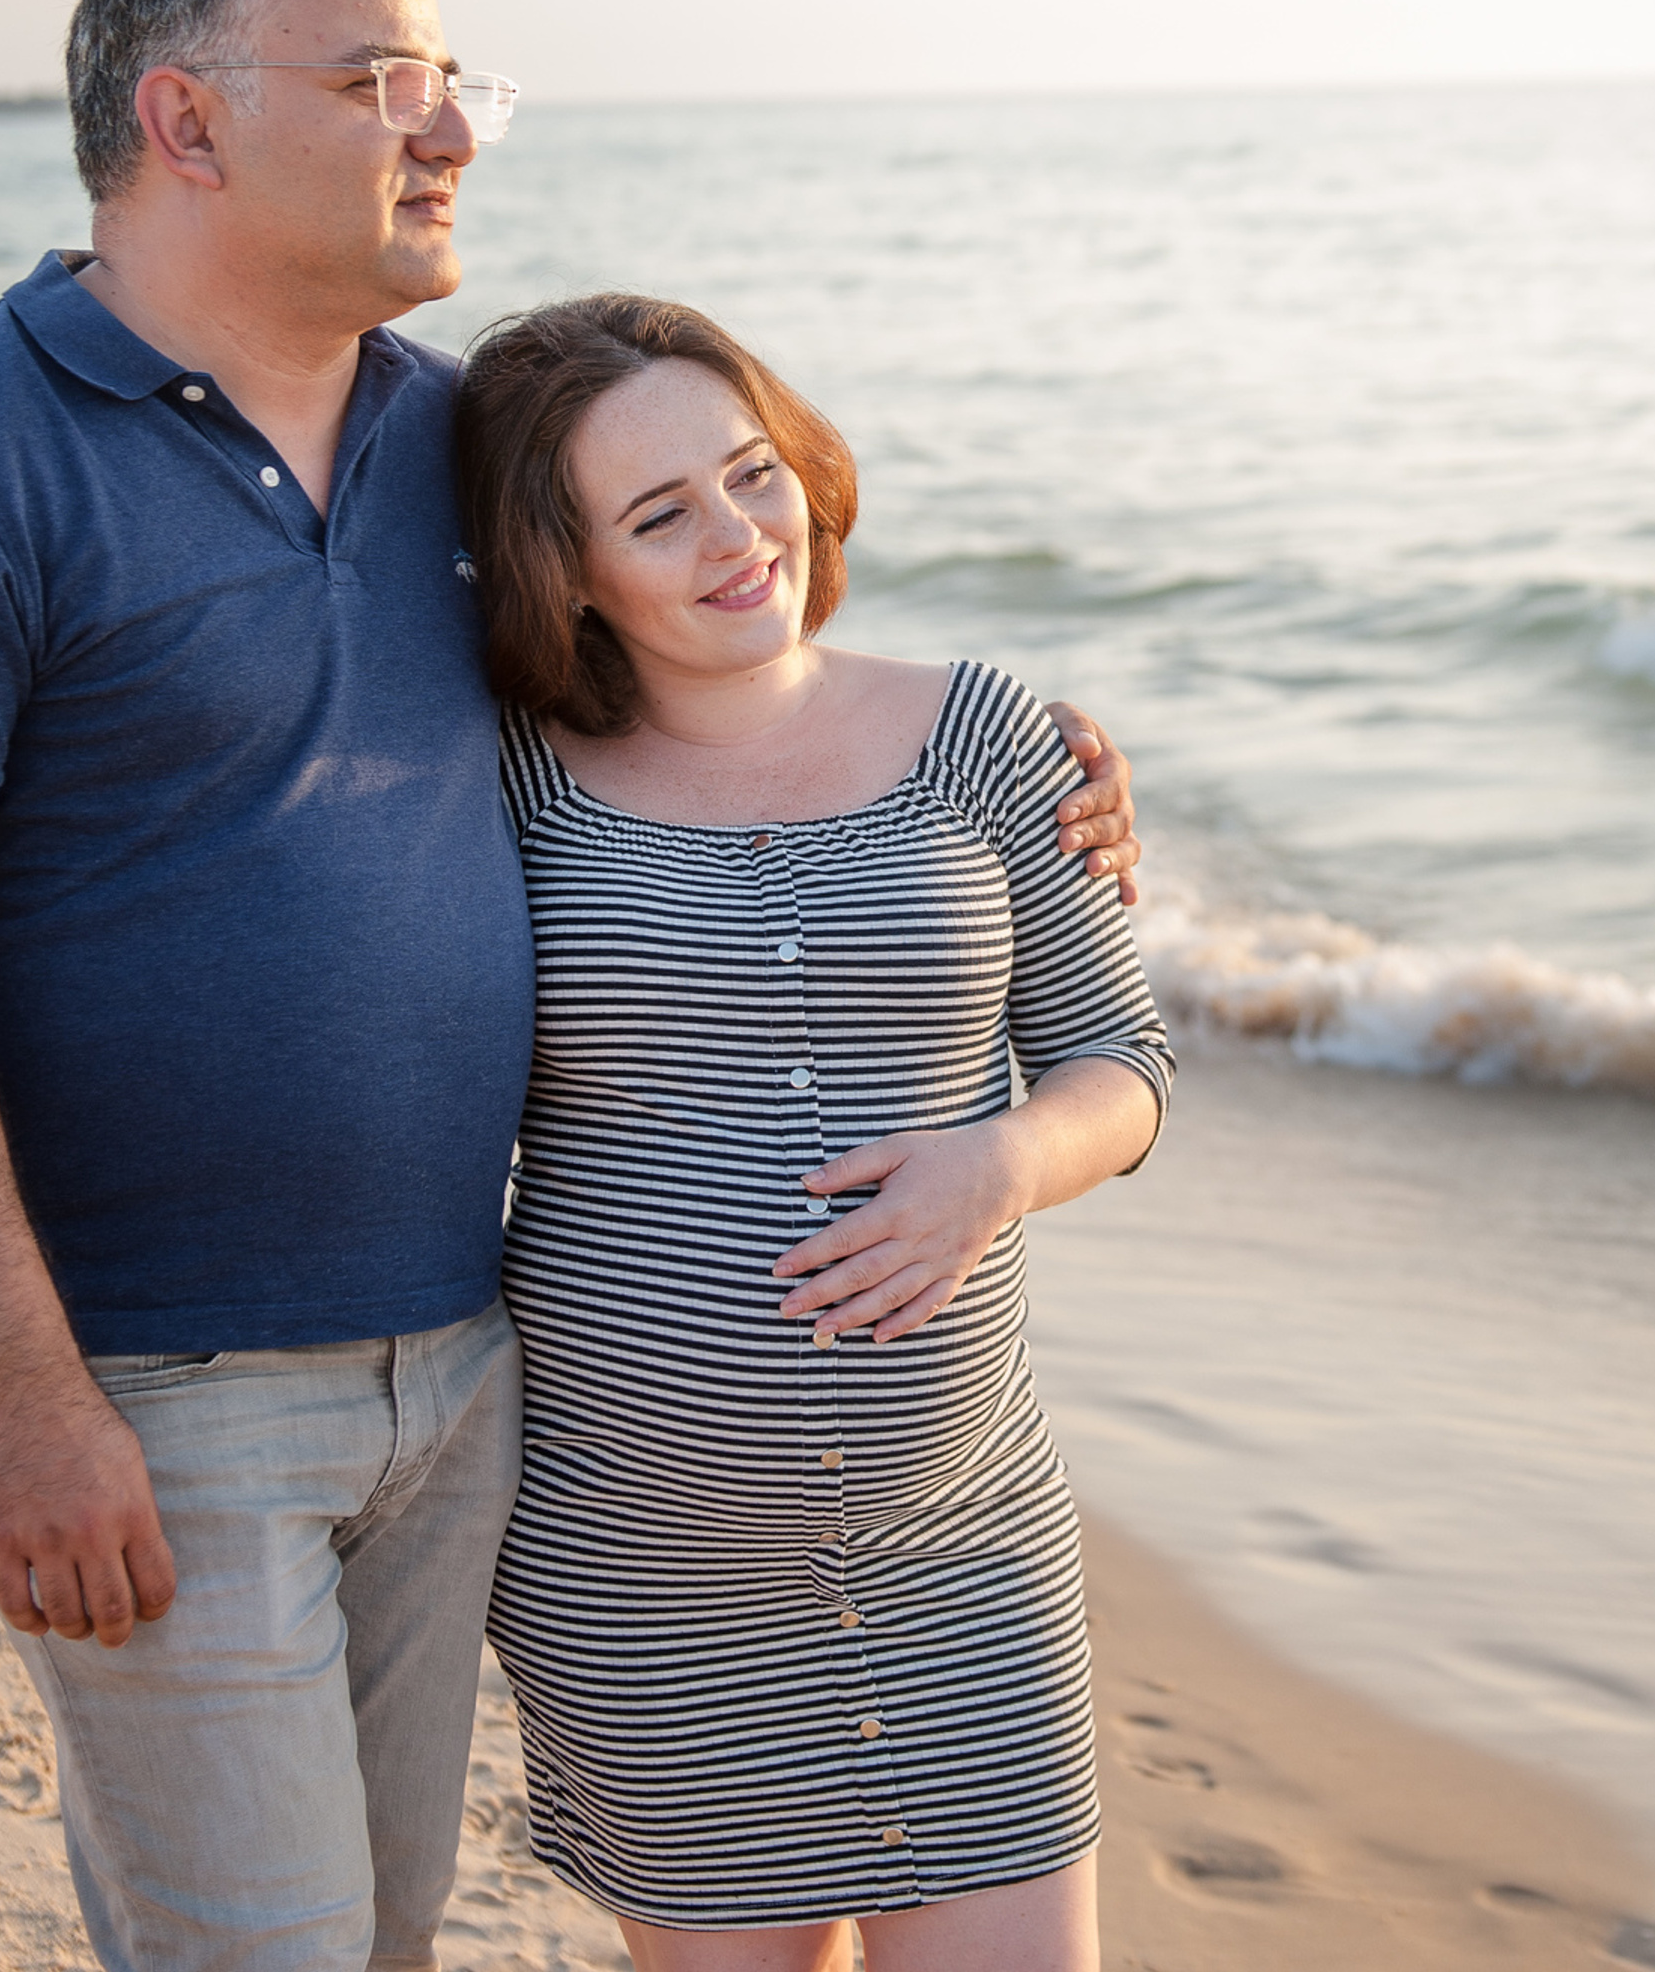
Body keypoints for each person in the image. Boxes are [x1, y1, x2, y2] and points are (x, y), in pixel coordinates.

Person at [0, 0, 1142, 1972]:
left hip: (465, 1367)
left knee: (386, 1932)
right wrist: (21, 1392)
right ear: (185, 120)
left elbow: (709, 696)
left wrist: (1019, 755)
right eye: (382, 78)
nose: (447, 129)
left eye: (457, 80)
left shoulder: (458, 451)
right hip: (156, 1376)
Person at [451, 294, 1169, 1972]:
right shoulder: (497, 784)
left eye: (751, 473)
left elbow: (1124, 1061)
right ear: (565, 574)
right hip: (643, 1570)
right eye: (658, 515)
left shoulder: (991, 737)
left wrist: (999, 1164)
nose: (734, 537)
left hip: (963, 1541)